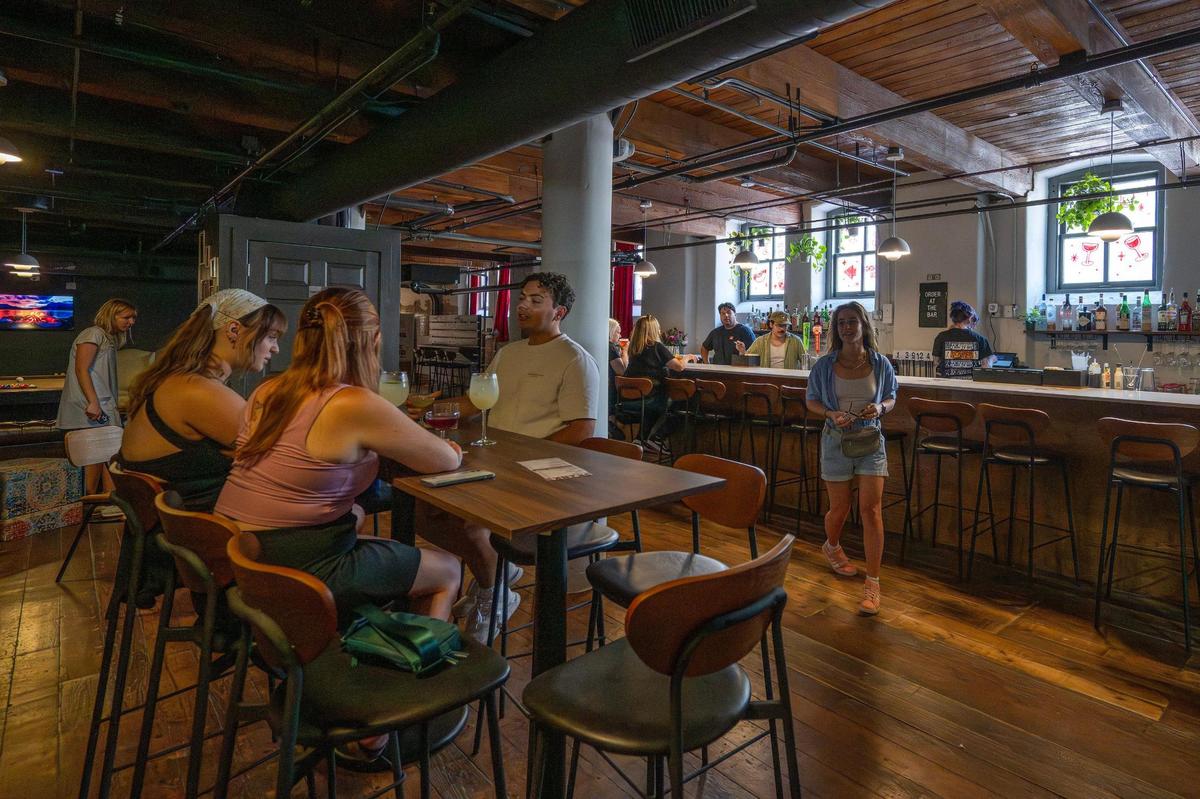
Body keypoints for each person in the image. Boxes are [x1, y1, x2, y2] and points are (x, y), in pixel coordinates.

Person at [214, 287, 462, 627]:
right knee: (447, 568)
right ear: (373, 340)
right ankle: (418, 667)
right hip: (298, 564)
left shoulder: (268, 389)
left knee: (359, 520)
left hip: (239, 550)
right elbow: (445, 461)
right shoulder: (353, 403)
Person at [420, 271, 601, 641]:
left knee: (471, 525)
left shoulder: (575, 359)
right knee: (425, 512)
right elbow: (476, 401)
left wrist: (524, 458)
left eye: (536, 301)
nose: (523, 305)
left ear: (559, 312)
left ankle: (492, 592)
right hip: (493, 466)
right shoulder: (508, 354)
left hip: (535, 479)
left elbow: (582, 429)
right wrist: (421, 412)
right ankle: (499, 577)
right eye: (523, 297)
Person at [117, 290, 286, 511]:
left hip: (178, 531)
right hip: (202, 534)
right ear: (234, 330)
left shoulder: (178, 381)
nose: (276, 348)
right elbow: (283, 459)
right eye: (271, 337)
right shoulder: (196, 391)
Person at [805, 301, 898, 616]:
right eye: (841, 322)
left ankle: (873, 583)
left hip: (871, 439)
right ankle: (831, 546)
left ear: (863, 325)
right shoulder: (824, 365)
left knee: (871, 510)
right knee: (840, 509)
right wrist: (832, 413)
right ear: (836, 328)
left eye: (852, 322)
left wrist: (881, 408)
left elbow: (892, 396)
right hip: (835, 440)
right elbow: (812, 401)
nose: (847, 327)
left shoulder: (880, 363)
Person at [56, 298, 138, 498]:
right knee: (99, 452)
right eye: (126, 317)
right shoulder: (93, 333)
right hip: (94, 403)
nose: (131, 322)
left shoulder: (107, 338)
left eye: (133, 318)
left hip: (103, 401)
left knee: (106, 452)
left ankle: (106, 500)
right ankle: (93, 500)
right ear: (112, 315)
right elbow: (81, 369)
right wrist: (93, 402)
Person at [623, 314, 696, 443]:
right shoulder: (657, 347)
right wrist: (688, 357)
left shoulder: (633, 349)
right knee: (680, 404)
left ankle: (641, 440)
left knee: (656, 403)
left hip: (628, 398)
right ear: (654, 330)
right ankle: (656, 438)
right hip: (650, 399)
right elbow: (679, 367)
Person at [932, 300, 995, 379]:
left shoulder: (941, 337)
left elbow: (936, 363)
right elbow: (986, 367)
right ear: (970, 318)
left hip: (946, 386)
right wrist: (991, 359)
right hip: (970, 387)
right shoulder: (980, 339)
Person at [735, 310, 804, 369]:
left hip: (789, 381)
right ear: (771, 324)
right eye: (779, 325)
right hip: (766, 381)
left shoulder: (796, 341)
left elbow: (805, 362)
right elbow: (748, 362)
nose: (782, 329)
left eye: (785, 326)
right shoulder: (761, 341)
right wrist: (742, 351)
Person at [607, 317, 627, 438]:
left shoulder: (607, 346)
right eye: (617, 332)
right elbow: (622, 370)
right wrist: (625, 351)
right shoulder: (611, 347)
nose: (620, 335)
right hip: (611, 388)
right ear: (610, 331)